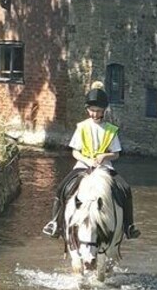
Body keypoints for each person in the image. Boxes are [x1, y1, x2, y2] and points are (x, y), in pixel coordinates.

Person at [42, 82, 140, 240]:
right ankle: (55, 223)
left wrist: (105, 156)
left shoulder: (110, 129)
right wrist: (87, 160)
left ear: (103, 111)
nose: (94, 114)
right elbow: (75, 151)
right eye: (92, 111)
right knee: (62, 187)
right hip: (83, 165)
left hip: (105, 167)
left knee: (125, 188)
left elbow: (116, 154)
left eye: (98, 111)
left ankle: (129, 226)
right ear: (88, 109)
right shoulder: (82, 127)